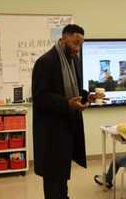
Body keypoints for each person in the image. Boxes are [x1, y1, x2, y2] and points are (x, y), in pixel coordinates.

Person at [32, 24, 101, 199]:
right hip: (51, 130)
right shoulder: (45, 62)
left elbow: (75, 90)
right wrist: (66, 104)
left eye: (81, 45)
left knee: (62, 172)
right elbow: (41, 98)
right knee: (52, 175)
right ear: (63, 39)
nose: (78, 49)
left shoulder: (73, 60)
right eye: (75, 43)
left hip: (68, 127)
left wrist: (88, 97)